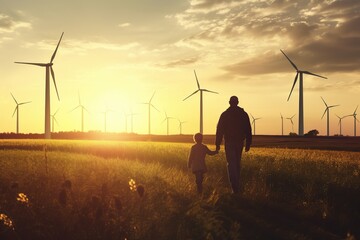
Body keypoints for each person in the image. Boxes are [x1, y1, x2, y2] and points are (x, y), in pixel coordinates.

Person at [215, 96, 252, 194]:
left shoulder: (225, 115)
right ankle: (236, 186)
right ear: (238, 102)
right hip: (240, 142)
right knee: (236, 164)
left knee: (231, 164)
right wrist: (248, 143)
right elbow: (248, 129)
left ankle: (234, 187)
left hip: (229, 142)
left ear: (229, 102)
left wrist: (217, 143)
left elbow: (219, 130)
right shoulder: (243, 114)